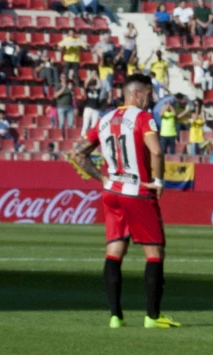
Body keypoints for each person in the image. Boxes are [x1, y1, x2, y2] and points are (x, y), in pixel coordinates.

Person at [67, 73, 180, 329]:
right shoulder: (143, 118)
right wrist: (159, 181)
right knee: (154, 253)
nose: (151, 100)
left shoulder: (105, 119)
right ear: (137, 93)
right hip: (137, 191)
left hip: (112, 193)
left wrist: (103, 179)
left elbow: (77, 153)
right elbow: (157, 151)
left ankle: (115, 316)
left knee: (115, 251)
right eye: (149, 94)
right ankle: (153, 316)